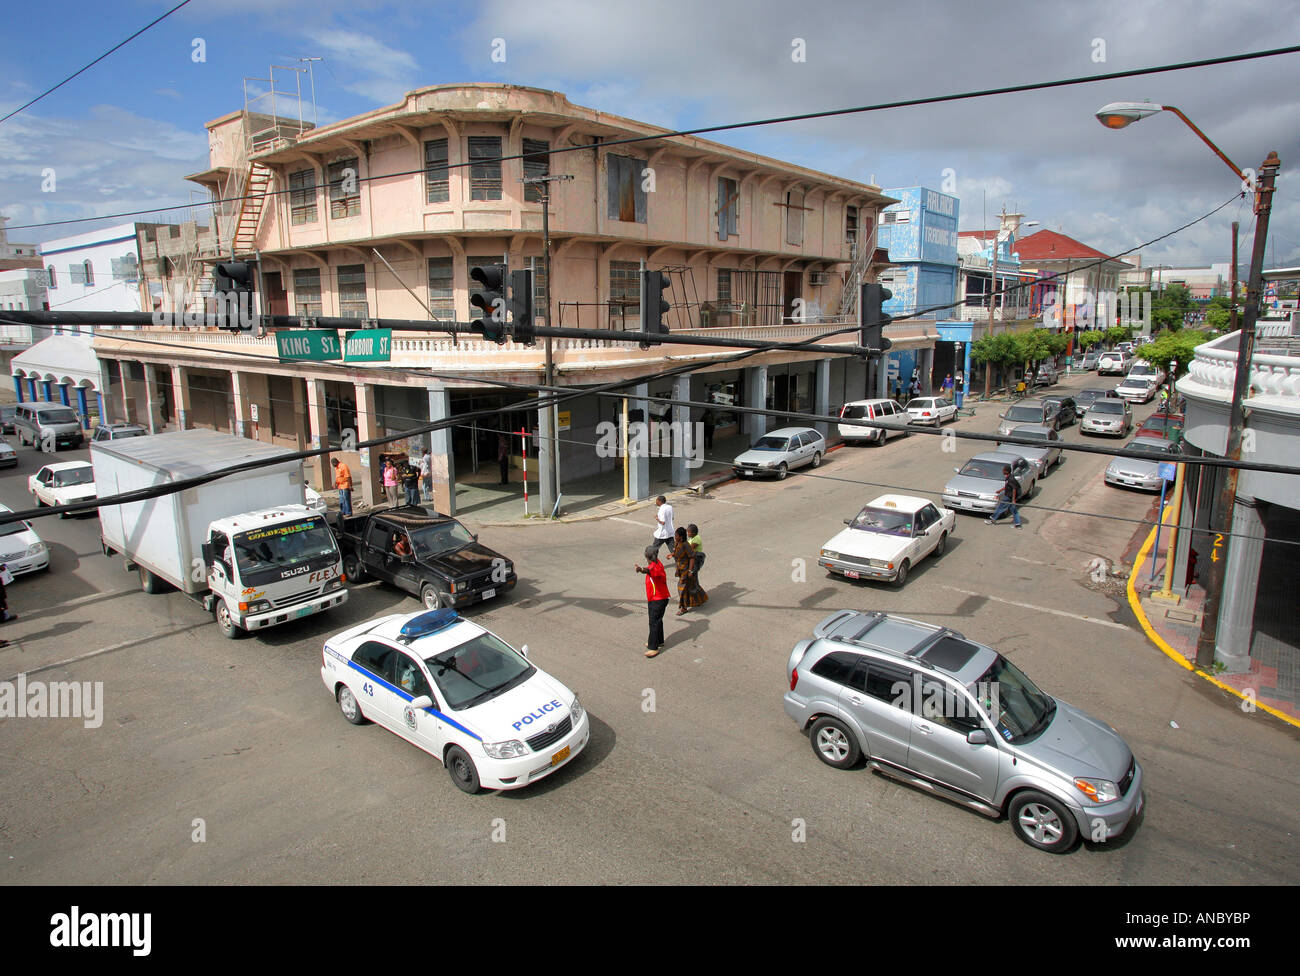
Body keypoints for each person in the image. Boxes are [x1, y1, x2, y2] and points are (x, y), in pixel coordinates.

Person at [635, 546, 671, 658]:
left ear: (647, 556)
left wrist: (641, 569)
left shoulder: (656, 567)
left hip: (658, 599)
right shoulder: (655, 563)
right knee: (657, 620)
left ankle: (653, 647)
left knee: (653, 621)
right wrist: (643, 569)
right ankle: (658, 640)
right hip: (656, 598)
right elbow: (649, 569)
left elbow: (649, 570)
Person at [670, 527, 708, 616]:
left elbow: (692, 557)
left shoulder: (686, 545)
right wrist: (672, 555)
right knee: (692, 586)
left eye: (676, 536)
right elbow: (677, 553)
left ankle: (683, 608)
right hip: (681, 569)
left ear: (681, 537)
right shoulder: (677, 544)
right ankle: (700, 600)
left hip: (686, 571)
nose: (675, 537)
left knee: (681, 589)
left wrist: (690, 571)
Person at [986, 465, 1023, 529]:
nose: (1002, 471)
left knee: (1001, 507)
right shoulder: (1008, 477)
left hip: (1009, 496)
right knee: (1013, 510)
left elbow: (1014, 489)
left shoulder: (1011, 479)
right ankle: (1018, 524)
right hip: (1009, 495)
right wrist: (1000, 490)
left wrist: (1013, 500)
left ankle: (993, 520)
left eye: (1003, 470)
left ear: (1006, 471)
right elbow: (1007, 485)